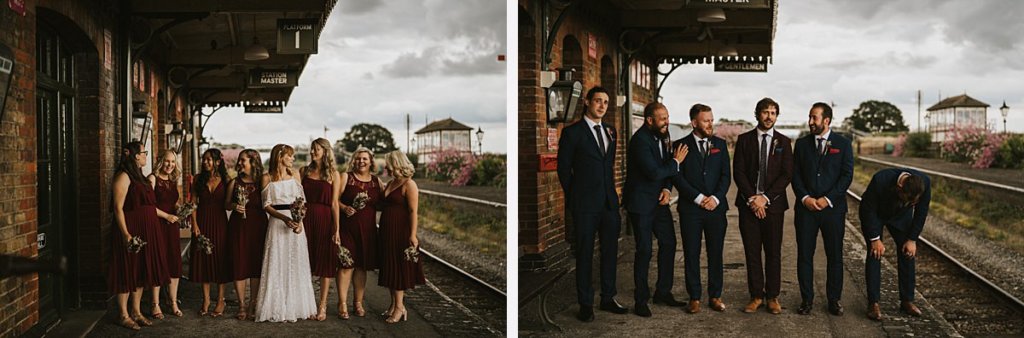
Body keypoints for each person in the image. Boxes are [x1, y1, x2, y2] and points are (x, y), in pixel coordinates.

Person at [556, 86, 627, 322]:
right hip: (585, 204)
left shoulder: (611, 131)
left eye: (606, 102)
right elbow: (564, 169)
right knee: (585, 254)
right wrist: (575, 196)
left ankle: (608, 297)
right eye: (598, 101)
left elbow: (608, 166)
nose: (602, 106)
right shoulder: (572, 133)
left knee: (610, 252)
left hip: (609, 203)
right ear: (587, 102)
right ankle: (585, 303)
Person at [623, 102, 688, 317]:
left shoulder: (663, 137)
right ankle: (641, 299)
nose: (666, 122)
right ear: (649, 120)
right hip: (640, 204)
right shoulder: (639, 141)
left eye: (668, 117)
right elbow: (653, 172)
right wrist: (677, 162)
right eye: (662, 118)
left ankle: (663, 291)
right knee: (644, 251)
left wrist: (668, 190)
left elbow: (666, 171)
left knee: (669, 243)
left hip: (660, 202)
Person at [792, 102, 854, 316]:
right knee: (804, 255)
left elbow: (846, 176)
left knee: (834, 256)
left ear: (826, 120)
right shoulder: (801, 145)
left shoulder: (843, 144)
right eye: (809, 117)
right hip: (806, 210)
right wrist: (805, 198)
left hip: (833, 210)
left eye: (814, 118)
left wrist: (827, 199)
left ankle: (834, 300)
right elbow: (795, 175)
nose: (810, 122)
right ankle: (806, 300)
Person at [732, 98, 793, 315]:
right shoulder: (744, 140)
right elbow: (738, 172)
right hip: (748, 206)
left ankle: (773, 296)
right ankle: (756, 295)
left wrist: (764, 198)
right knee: (752, 252)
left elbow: (786, 174)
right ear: (757, 114)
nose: (769, 116)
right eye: (765, 112)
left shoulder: (784, 142)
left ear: (777, 116)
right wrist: (752, 198)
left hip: (773, 207)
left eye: (773, 112)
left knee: (773, 252)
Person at [109, 141, 177, 330]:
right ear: (135, 155)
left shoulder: (138, 175)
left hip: (146, 230)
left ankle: (136, 311)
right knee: (126, 271)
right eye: (144, 152)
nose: (146, 155)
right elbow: (117, 208)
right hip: (131, 230)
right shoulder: (123, 176)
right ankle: (123, 314)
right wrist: (126, 234)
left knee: (139, 271)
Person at [671, 103, 731, 314]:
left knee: (716, 253)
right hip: (691, 209)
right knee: (691, 252)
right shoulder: (680, 145)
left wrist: (715, 198)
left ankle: (715, 295)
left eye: (712, 120)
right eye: (706, 120)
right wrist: (697, 198)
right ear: (694, 122)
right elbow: (677, 176)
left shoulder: (720, 145)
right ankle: (694, 296)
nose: (710, 124)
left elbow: (726, 176)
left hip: (716, 208)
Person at [254, 144, 317, 322]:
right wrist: (283, 218)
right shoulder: (267, 178)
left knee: (296, 262)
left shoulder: (295, 175)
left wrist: (300, 223)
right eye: (290, 156)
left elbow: (302, 202)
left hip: (295, 222)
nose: (292, 159)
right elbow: (266, 205)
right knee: (277, 261)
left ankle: (297, 306)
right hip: (277, 223)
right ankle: (276, 306)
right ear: (280, 156)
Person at [859, 168, 930, 321]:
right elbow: (868, 209)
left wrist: (912, 239)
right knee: (875, 253)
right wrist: (874, 239)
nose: (912, 204)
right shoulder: (880, 179)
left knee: (908, 252)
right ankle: (873, 303)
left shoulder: (924, 183)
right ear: (900, 189)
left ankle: (907, 301)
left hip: (900, 217)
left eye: (914, 202)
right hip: (876, 213)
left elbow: (921, 212)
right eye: (909, 201)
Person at [377, 150, 425, 324]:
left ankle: (400, 308)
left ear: (396, 163)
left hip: (400, 231)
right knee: (390, 267)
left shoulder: (409, 184)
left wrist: (412, 235)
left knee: (398, 269)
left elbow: (413, 211)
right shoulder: (391, 182)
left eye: (388, 164)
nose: (386, 167)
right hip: (386, 231)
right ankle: (393, 304)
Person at [337, 146, 383, 319]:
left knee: (361, 268)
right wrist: (344, 207)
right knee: (345, 265)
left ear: (371, 161)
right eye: (357, 158)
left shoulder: (377, 182)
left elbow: (384, 201)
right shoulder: (345, 178)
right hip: (347, 229)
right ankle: (342, 303)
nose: (361, 161)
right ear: (353, 161)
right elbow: (334, 200)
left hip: (368, 231)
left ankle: (358, 302)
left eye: (364, 158)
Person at [300, 138, 343, 321]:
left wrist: (337, 229)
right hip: (306, 220)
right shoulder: (304, 171)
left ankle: (322, 305)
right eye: (311, 149)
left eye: (316, 149)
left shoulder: (334, 174)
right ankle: (306, 304)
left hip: (325, 221)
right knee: (304, 263)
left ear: (325, 151)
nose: (312, 152)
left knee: (325, 263)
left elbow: (334, 204)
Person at [225, 149, 269, 321]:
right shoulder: (234, 182)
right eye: (240, 160)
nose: (240, 163)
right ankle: (241, 304)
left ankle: (254, 302)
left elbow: (269, 202)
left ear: (253, 162)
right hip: (238, 227)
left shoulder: (262, 182)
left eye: (244, 160)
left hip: (258, 226)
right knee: (239, 263)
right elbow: (226, 204)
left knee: (255, 265)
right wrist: (234, 206)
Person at [189, 148, 232, 317]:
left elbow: (230, 203)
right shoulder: (198, 179)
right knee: (204, 261)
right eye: (204, 159)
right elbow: (193, 204)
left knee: (220, 261)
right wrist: (194, 225)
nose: (205, 162)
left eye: (209, 159)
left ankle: (221, 299)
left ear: (218, 162)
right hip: (203, 222)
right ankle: (206, 299)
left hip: (221, 224)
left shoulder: (226, 180)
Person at [149, 150, 184, 318]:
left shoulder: (172, 180)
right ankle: (155, 304)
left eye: (173, 161)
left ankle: (173, 301)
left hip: (172, 227)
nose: (170, 165)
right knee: (159, 261)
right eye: (167, 161)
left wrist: (180, 209)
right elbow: (148, 206)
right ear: (160, 161)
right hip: (158, 225)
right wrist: (166, 216)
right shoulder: (152, 179)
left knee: (174, 262)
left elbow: (173, 202)